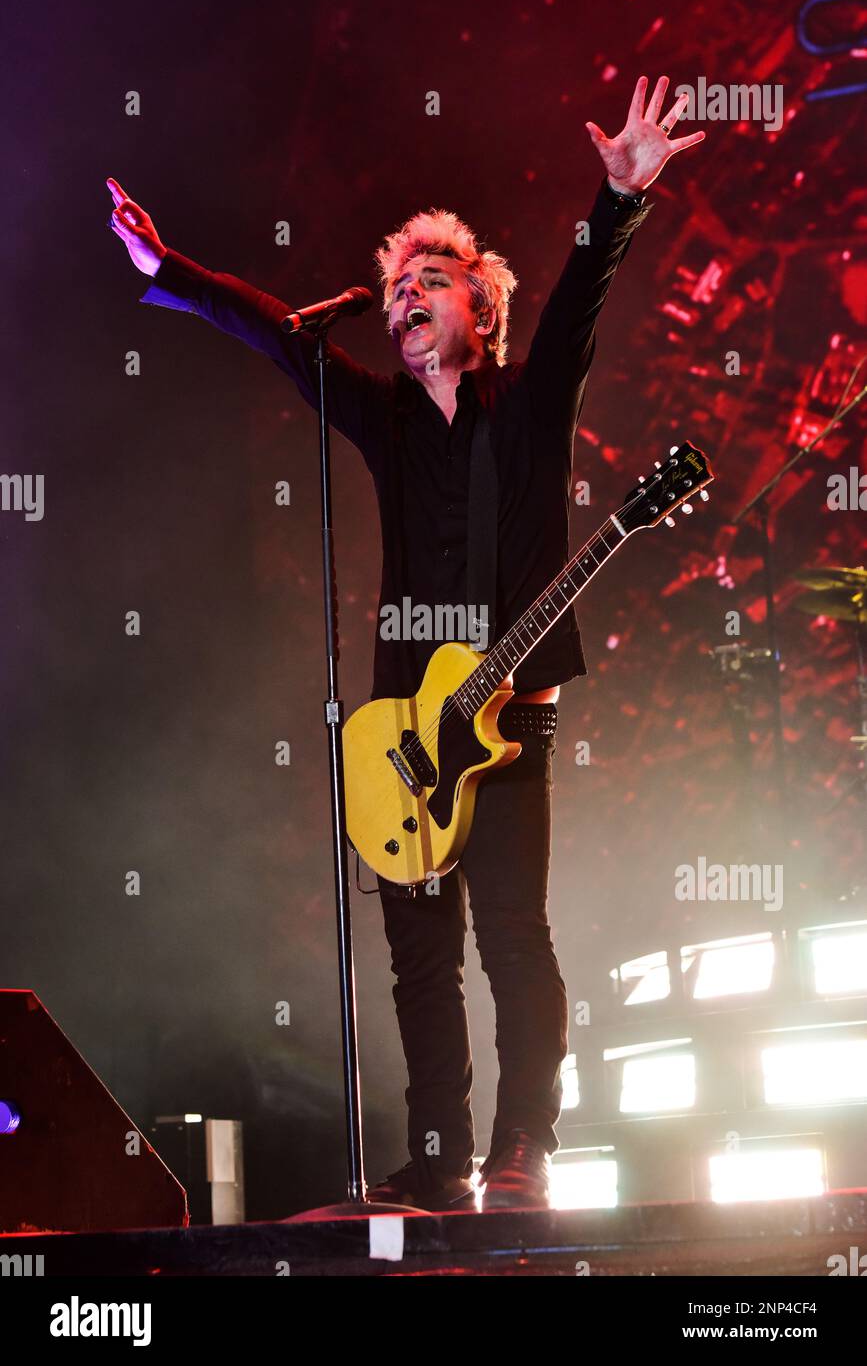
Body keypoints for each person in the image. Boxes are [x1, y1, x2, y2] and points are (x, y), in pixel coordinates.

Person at [107, 75, 704, 1212]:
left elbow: (581, 290)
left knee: (513, 942)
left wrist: (617, 196)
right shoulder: (382, 419)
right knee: (419, 961)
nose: (403, 297)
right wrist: (168, 273)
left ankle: (525, 1147)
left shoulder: (526, 409)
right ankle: (439, 1163)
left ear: (480, 310)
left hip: (510, 722)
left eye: (431, 280)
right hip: (398, 731)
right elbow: (283, 341)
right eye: (392, 287)